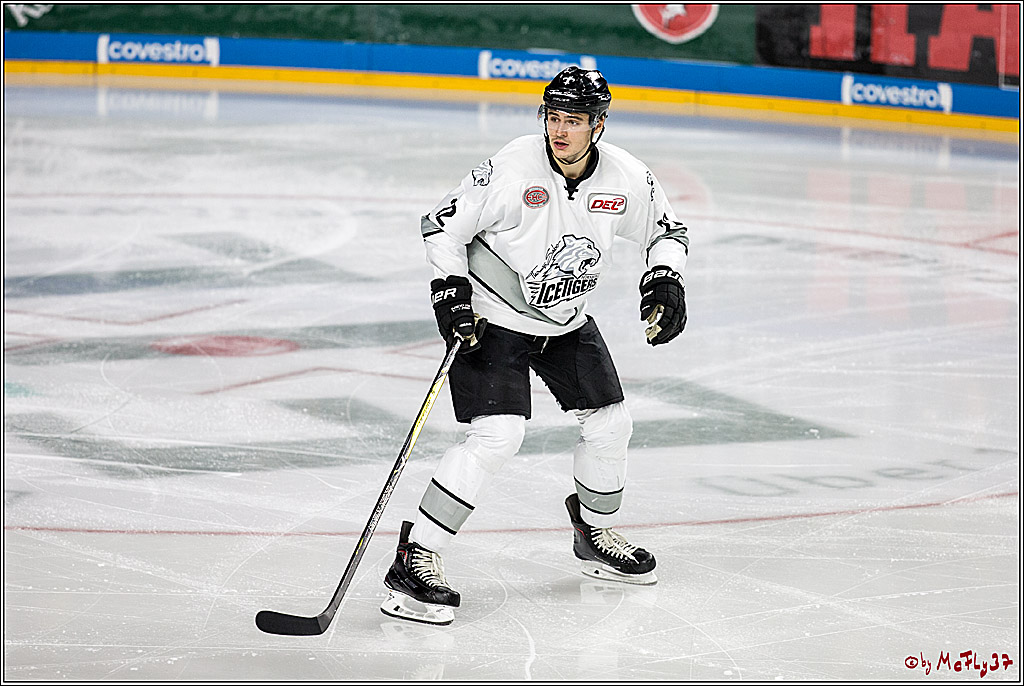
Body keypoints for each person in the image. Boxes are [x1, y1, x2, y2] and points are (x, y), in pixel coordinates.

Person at [380, 66, 689, 625]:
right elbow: (441, 225)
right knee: (498, 436)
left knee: (611, 424)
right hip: (493, 319)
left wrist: (665, 278)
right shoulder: (512, 165)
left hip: (567, 321)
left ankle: (593, 533)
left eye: (574, 120)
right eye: (553, 117)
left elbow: (667, 230)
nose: (560, 131)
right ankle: (415, 555)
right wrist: (448, 291)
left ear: (598, 125)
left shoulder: (626, 177)